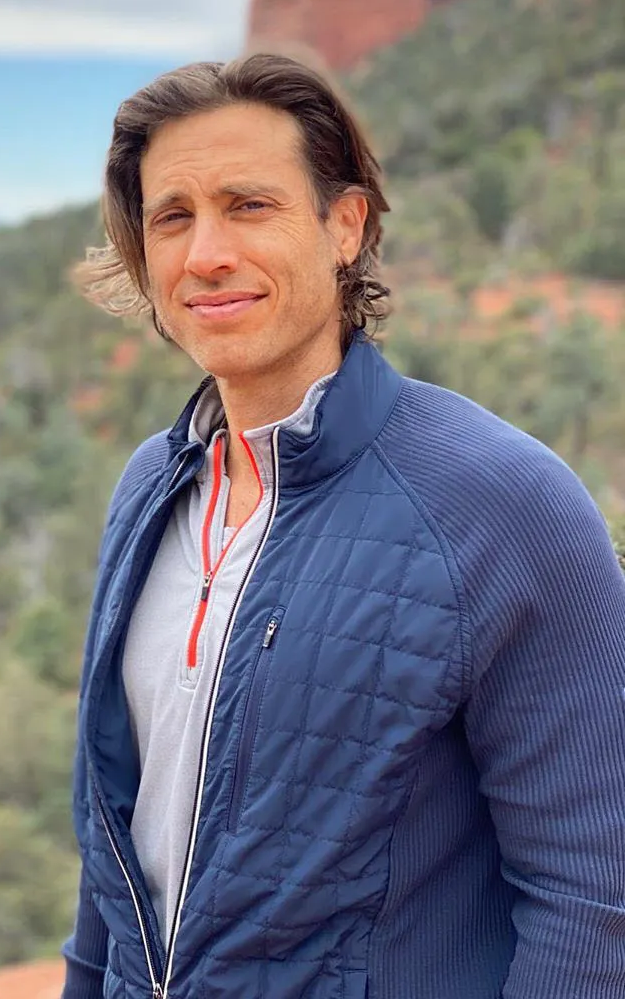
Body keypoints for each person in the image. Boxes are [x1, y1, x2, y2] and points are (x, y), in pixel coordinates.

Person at [60, 53, 625, 999]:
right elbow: (113, 852)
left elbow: (593, 894)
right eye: (173, 217)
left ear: (345, 226)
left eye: (250, 205)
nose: (207, 254)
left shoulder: (501, 501)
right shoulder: (152, 488)